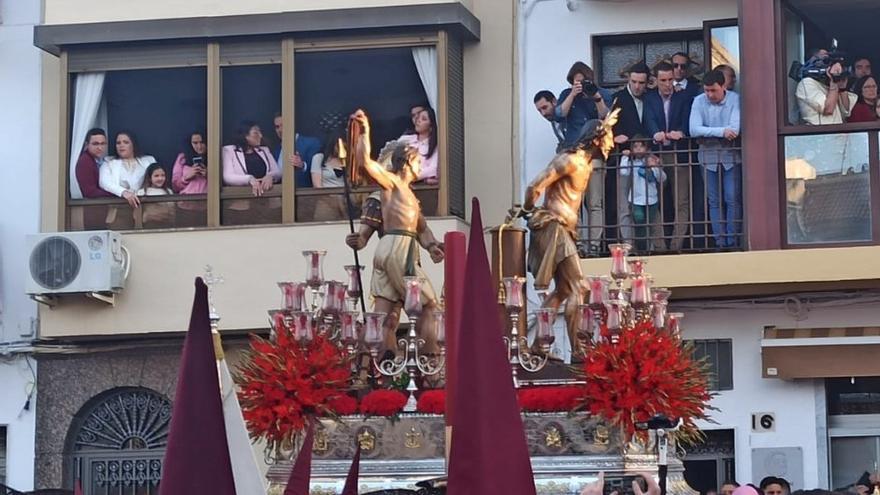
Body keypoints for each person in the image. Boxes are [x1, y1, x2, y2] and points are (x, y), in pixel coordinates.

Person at [520, 109, 618, 359]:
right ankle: (578, 350)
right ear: (598, 136)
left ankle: (539, 345)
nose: (612, 142)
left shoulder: (586, 165)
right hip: (554, 227)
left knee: (563, 290)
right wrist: (528, 209)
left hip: (566, 230)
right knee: (579, 287)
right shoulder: (570, 160)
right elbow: (535, 185)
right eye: (609, 136)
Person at [350, 109, 445, 357]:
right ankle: (429, 362)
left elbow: (422, 229)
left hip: (393, 248)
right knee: (430, 305)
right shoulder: (393, 183)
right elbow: (365, 163)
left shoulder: (409, 197)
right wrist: (365, 133)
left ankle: (366, 365)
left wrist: (433, 246)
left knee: (383, 315)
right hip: (398, 249)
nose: (421, 166)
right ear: (408, 161)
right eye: (418, 161)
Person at [690, 69, 741, 249]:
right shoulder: (698, 101)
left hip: (730, 156)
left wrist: (708, 133)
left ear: (723, 87)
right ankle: (720, 242)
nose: (709, 95)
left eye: (713, 90)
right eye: (707, 91)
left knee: (732, 197)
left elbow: (735, 129)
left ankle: (732, 240)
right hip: (707, 157)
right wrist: (721, 132)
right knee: (714, 200)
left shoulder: (735, 99)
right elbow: (694, 130)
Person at [645, 61, 691, 251]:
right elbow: (648, 120)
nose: (667, 84)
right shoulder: (649, 98)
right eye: (663, 80)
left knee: (681, 201)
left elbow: (687, 121)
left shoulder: (684, 97)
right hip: (657, 154)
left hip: (678, 153)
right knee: (654, 201)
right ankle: (659, 245)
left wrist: (681, 132)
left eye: (670, 80)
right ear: (656, 80)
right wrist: (655, 133)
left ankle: (676, 245)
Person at [611, 62, 651, 246]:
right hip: (625, 159)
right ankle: (628, 245)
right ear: (628, 79)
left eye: (641, 82)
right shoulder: (617, 99)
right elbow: (607, 128)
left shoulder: (650, 98)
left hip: (647, 159)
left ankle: (649, 244)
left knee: (650, 203)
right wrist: (616, 140)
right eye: (634, 81)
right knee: (624, 205)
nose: (637, 86)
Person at [99, 131, 157, 229]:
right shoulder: (109, 162)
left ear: (133, 144)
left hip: (146, 209)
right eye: (118, 143)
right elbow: (104, 182)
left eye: (126, 142)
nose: (121, 145)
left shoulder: (148, 161)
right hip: (120, 210)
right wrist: (124, 192)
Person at [619, 138, 666, 252]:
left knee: (651, 223)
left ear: (646, 148)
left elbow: (662, 178)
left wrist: (654, 167)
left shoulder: (652, 161)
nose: (638, 149)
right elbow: (623, 172)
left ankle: (653, 247)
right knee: (639, 221)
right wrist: (625, 157)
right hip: (636, 199)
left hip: (651, 199)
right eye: (635, 146)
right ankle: (642, 247)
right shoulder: (632, 163)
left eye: (641, 146)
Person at [556, 62, 612, 147]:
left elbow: (606, 118)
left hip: (595, 145)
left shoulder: (603, 93)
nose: (582, 85)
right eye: (578, 81)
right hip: (573, 145)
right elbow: (559, 115)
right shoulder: (566, 94)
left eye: (584, 82)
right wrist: (572, 95)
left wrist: (597, 98)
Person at [222, 120, 281, 195]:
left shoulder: (264, 150)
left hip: (267, 195)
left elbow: (278, 172)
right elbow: (227, 177)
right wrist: (249, 179)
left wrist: (270, 176)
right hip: (240, 198)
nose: (260, 136)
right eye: (256, 133)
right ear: (245, 135)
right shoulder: (229, 151)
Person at [74, 128, 113, 229]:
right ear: (87, 145)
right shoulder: (85, 161)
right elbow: (90, 192)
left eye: (103, 144)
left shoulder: (100, 160)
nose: (100, 147)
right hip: (93, 213)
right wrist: (115, 193)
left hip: (102, 212)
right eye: (95, 144)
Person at [795, 59, 855, 125]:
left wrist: (842, 87)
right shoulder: (807, 83)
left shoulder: (830, 84)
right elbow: (828, 109)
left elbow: (845, 112)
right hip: (820, 133)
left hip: (837, 132)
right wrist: (833, 83)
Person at [273, 112, 322, 188]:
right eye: (277, 127)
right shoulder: (275, 150)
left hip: (305, 196)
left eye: (283, 125)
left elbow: (318, 170)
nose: (280, 130)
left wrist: (302, 165)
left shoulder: (311, 143)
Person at [171, 131, 208, 227]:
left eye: (202, 142)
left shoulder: (215, 157)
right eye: (195, 143)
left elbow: (223, 182)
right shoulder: (182, 158)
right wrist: (187, 177)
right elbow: (174, 185)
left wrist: (208, 175)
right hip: (185, 205)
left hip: (207, 206)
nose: (199, 146)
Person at [311, 133, 349, 221]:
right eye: (339, 147)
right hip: (325, 203)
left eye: (345, 148)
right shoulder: (319, 158)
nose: (341, 151)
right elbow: (317, 186)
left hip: (345, 204)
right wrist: (334, 202)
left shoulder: (348, 161)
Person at [397, 106, 439, 183]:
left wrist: (410, 176)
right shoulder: (405, 139)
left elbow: (433, 169)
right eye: (418, 118)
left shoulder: (435, 147)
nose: (418, 120)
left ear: (431, 127)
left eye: (423, 119)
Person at [137, 162, 175, 228]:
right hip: (149, 226)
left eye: (163, 175)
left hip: (167, 225)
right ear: (149, 178)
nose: (160, 178)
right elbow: (138, 214)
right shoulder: (142, 192)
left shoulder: (169, 192)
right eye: (156, 176)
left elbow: (172, 211)